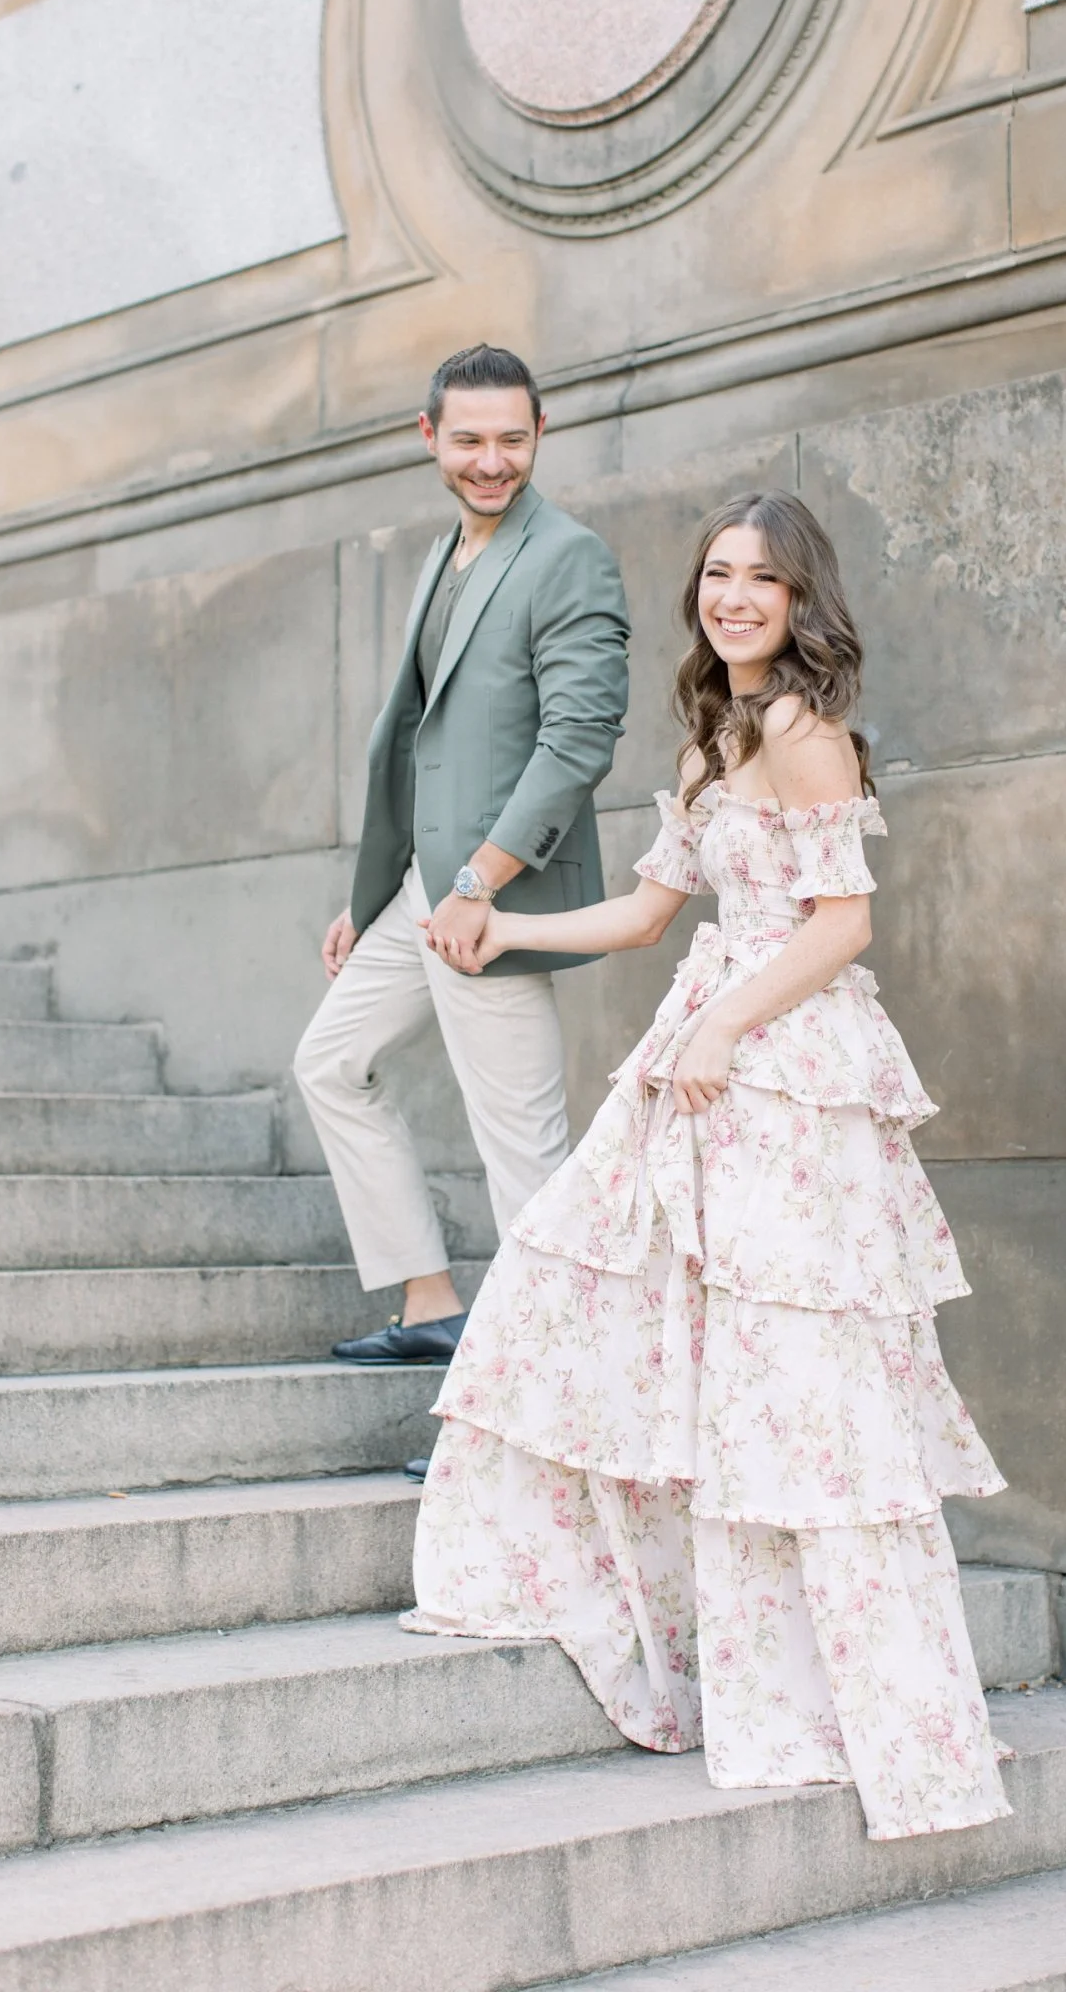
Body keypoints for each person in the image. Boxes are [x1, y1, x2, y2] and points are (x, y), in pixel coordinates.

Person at [401, 490, 1012, 1842]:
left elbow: (842, 924)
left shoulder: (804, 731)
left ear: (801, 601)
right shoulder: (711, 738)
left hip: (784, 1067)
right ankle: (732, 1662)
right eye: (719, 574)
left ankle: (856, 1702)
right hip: (705, 1050)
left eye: (763, 579)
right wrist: (499, 926)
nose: (735, 597)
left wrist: (727, 1025)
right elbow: (645, 913)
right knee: (621, 1304)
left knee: (796, 1380)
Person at [293, 345, 630, 1367]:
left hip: (494, 900)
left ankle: (557, 1385)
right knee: (329, 1064)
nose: (492, 462)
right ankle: (432, 1300)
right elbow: (421, 741)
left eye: (513, 440)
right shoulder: (447, 554)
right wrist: (376, 896)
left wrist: (482, 879)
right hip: (421, 892)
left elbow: (577, 740)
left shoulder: (568, 556)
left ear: (540, 434)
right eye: (471, 440)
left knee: (524, 1149)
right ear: (429, 435)